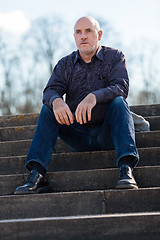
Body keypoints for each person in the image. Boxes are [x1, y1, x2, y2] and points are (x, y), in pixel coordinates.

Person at [14, 16, 139, 195]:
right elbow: (50, 90)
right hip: (78, 134)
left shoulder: (115, 57)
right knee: (48, 108)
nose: (83, 36)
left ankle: (126, 169)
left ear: (99, 34)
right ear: (74, 37)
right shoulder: (65, 64)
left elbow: (121, 87)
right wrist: (56, 101)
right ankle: (36, 175)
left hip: (107, 132)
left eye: (88, 31)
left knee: (119, 102)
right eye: (79, 32)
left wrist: (94, 96)